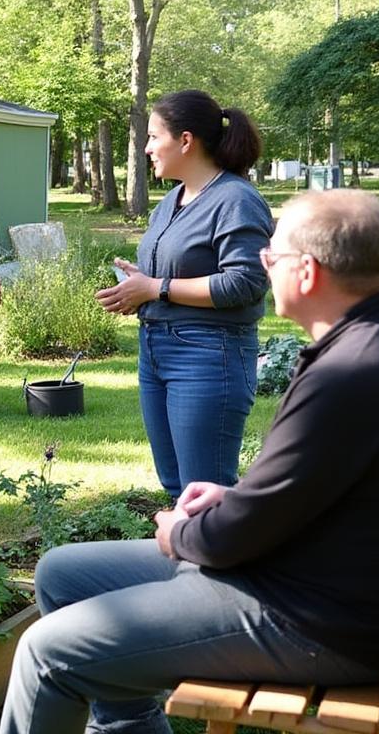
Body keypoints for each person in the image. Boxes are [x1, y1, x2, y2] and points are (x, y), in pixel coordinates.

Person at [0, 189, 379, 734]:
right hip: (317, 579)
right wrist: (232, 499)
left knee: (48, 653)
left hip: (320, 621)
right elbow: (324, 494)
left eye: (270, 257)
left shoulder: (352, 373)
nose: (263, 266)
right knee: (62, 575)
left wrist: (181, 536)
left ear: (306, 273)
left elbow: (228, 540)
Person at [95, 90, 272, 499]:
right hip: (156, 350)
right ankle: (189, 562)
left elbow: (245, 283)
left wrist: (155, 287)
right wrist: (142, 284)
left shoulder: (236, 200)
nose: (147, 149)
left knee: (204, 492)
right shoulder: (170, 201)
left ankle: (221, 563)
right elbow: (175, 277)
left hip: (209, 356)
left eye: (154, 137)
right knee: (177, 487)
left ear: (186, 141)